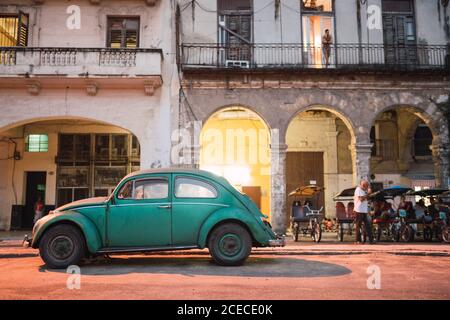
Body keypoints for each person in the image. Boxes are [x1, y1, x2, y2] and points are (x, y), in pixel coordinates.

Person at [354, 179, 374, 244]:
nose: (367, 187)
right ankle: (358, 240)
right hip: (359, 210)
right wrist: (368, 193)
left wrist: (369, 194)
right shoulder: (358, 189)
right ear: (363, 185)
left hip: (364, 211)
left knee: (368, 225)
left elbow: (366, 198)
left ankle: (371, 240)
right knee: (358, 225)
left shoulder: (363, 191)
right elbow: (361, 199)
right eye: (366, 186)